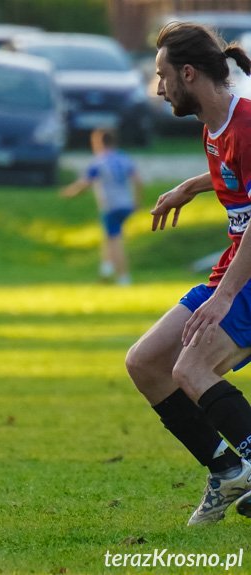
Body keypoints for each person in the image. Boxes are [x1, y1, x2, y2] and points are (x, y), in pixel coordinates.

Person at [125, 21, 251, 526]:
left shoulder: (245, 125)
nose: (158, 88)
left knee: (190, 369)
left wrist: (222, 297)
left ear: (190, 73)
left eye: (162, 76)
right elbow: (231, 170)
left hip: (243, 278)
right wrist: (191, 186)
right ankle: (226, 472)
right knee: (146, 363)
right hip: (233, 270)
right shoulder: (217, 127)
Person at [60, 127, 143, 286]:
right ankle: (106, 269)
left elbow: (84, 184)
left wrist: (68, 193)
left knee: (115, 241)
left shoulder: (99, 161)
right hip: (126, 203)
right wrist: (137, 202)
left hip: (111, 205)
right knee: (109, 237)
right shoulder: (124, 158)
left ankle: (124, 278)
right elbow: (138, 180)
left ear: (98, 142)